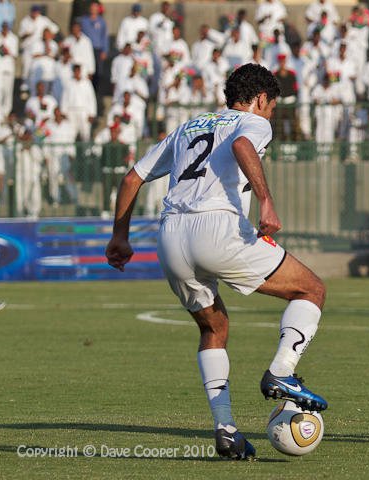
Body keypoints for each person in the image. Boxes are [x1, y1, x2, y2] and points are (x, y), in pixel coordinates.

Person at [105, 64, 328, 460]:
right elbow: (243, 147)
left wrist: (119, 237)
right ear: (261, 99)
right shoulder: (253, 122)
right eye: (272, 107)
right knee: (311, 289)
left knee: (214, 326)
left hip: (171, 235)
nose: (271, 114)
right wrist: (267, 201)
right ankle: (281, 370)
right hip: (218, 228)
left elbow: (131, 179)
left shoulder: (188, 127)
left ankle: (226, 430)